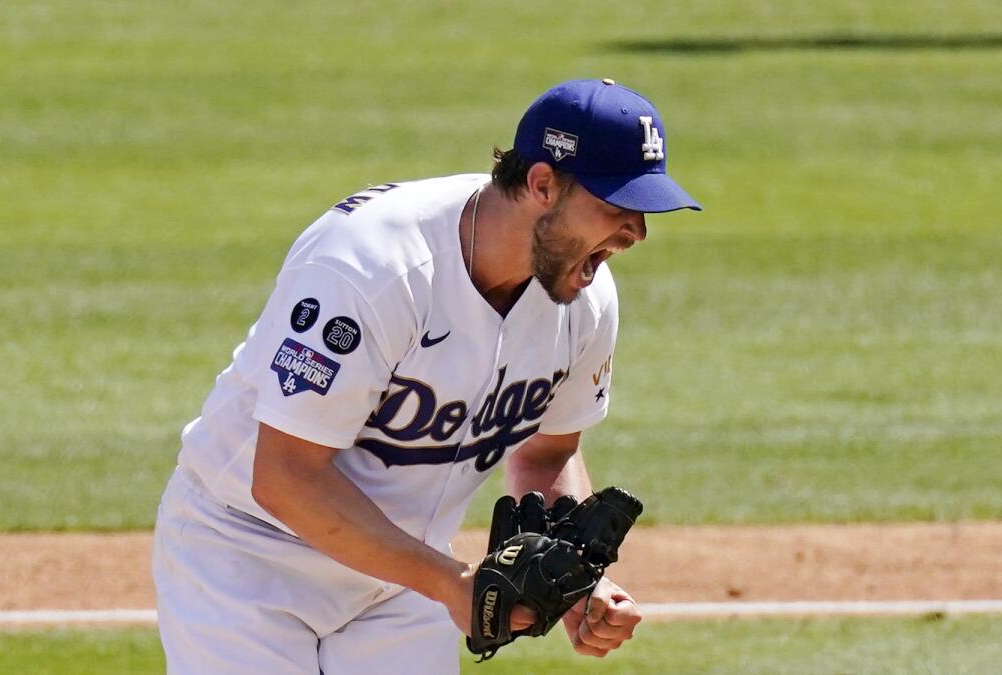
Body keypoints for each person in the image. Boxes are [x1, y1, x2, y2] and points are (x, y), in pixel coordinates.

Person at [151, 77, 701, 674]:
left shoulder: (583, 299)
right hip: (248, 557)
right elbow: (285, 476)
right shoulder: (372, 267)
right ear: (543, 184)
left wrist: (569, 575)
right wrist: (448, 582)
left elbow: (546, 457)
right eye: (617, 208)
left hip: (401, 575)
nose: (637, 233)